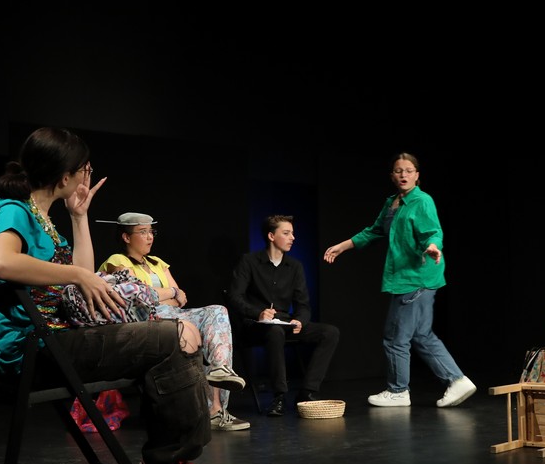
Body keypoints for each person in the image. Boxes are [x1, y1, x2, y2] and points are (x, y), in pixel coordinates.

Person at [0, 126, 216, 464]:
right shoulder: (13, 209)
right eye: (82, 169)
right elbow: (1, 262)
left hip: (61, 340)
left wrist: (79, 216)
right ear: (64, 175)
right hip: (36, 349)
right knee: (175, 338)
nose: (85, 176)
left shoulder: (43, 217)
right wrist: (75, 275)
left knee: (182, 337)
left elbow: (84, 275)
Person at [323, 152, 476, 408]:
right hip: (411, 277)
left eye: (408, 170)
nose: (403, 175)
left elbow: (433, 232)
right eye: (398, 171)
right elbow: (374, 231)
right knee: (421, 334)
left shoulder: (422, 201)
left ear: (417, 175)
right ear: (392, 176)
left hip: (415, 277)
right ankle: (457, 380)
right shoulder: (392, 202)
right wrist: (343, 246)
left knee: (395, 336)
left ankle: (398, 391)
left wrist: (433, 246)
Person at [98, 212, 251, 431]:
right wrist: (169, 293)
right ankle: (212, 410)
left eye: (151, 231)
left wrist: (163, 295)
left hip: (172, 314)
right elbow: (137, 296)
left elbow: (181, 298)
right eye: (143, 232)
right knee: (198, 333)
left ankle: (220, 375)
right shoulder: (117, 261)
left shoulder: (158, 263)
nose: (150, 237)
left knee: (217, 312)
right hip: (143, 320)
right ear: (126, 237)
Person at [229, 215, 341, 417]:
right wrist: (258, 313)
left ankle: (307, 391)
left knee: (329, 332)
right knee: (274, 331)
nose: (292, 238)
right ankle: (279, 396)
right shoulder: (249, 261)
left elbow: (303, 304)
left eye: (292, 233)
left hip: (284, 322)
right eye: (286, 233)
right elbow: (235, 297)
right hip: (256, 325)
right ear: (271, 236)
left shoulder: (294, 266)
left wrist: (300, 320)